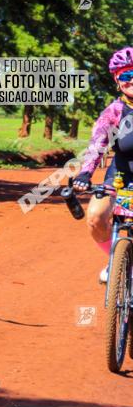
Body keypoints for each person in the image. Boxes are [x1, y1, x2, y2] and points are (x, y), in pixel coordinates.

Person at [72, 46, 133, 282]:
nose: (131, 80)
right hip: (120, 176)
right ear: (117, 81)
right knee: (96, 216)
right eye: (126, 75)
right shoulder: (114, 111)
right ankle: (114, 262)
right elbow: (97, 144)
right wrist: (85, 173)